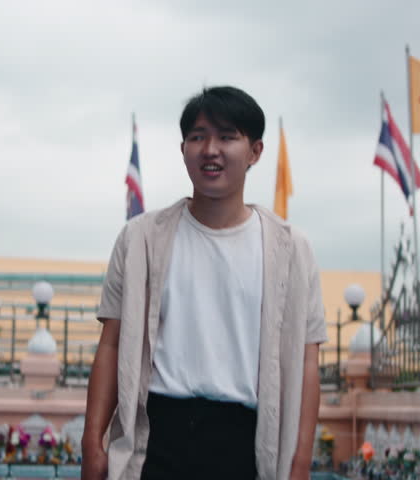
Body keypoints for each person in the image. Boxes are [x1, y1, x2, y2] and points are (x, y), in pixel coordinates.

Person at [81, 86, 327, 480]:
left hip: (244, 443)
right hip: (158, 439)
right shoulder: (141, 239)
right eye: (198, 137)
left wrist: (299, 463)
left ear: (255, 152)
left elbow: (307, 362)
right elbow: (111, 342)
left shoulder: (290, 249)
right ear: (184, 150)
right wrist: (92, 443)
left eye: (227, 136)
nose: (210, 149)